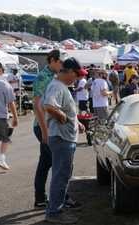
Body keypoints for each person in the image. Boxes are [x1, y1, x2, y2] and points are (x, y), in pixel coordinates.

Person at [32, 50, 79, 209]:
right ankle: (52, 201)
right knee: (54, 165)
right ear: (52, 60)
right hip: (44, 126)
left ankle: (50, 199)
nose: (62, 65)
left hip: (51, 127)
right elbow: (39, 106)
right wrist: (45, 131)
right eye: (60, 62)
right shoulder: (43, 77)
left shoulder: (54, 78)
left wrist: (75, 120)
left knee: (52, 164)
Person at [43, 57, 85, 224]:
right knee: (60, 175)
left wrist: (76, 122)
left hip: (64, 138)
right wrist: (64, 117)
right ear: (67, 71)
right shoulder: (57, 86)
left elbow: (57, 108)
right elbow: (49, 106)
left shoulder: (61, 86)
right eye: (76, 75)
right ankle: (54, 213)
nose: (77, 78)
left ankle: (57, 209)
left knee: (62, 174)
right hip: (62, 138)